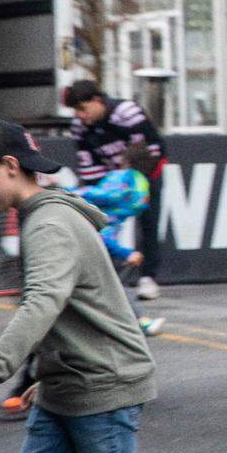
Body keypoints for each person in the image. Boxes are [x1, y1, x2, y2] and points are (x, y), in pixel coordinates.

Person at [0, 120, 156, 453]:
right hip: (64, 388)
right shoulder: (40, 215)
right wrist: (53, 373)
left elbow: (41, 304)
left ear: (9, 166)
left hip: (101, 390)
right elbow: (64, 305)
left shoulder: (49, 223)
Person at [64, 79, 167, 301]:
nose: (80, 115)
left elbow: (152, 149)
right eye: (75, 110)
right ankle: (101, 278)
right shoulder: (78, 126)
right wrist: (102, 191)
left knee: (149, 221)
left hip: (142, 176)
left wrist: (133, 181)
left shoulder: (127, 112)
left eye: (83, 108)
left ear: (97, 100)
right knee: (100, 222)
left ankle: (148, 277)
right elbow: (88, 163)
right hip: (111, 180)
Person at [72, 141, 167, 338]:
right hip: (92, 238)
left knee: (110, 284)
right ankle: (136, 322)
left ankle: (134, 322)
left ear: (126, 161)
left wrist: (71, 192)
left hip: (84, 238)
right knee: (111, 284)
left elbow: (103, 201)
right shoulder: (136, 191)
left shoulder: (119, 184)